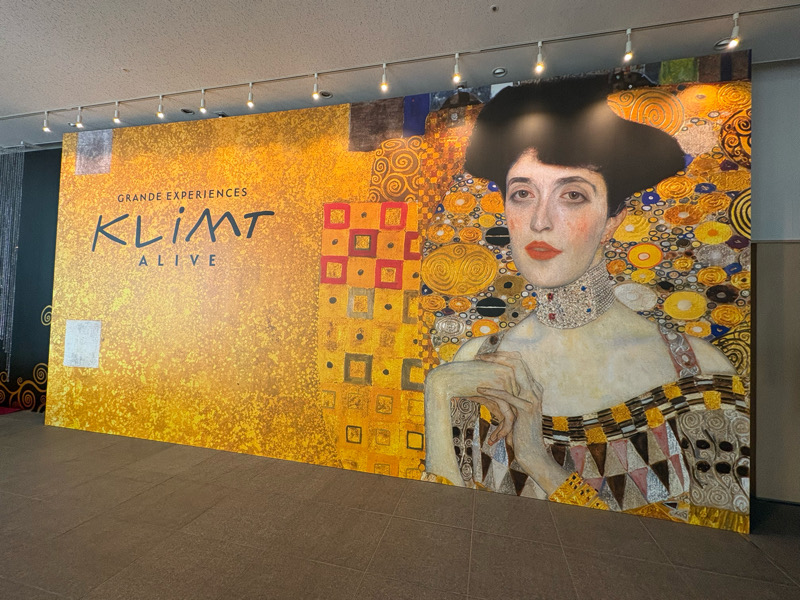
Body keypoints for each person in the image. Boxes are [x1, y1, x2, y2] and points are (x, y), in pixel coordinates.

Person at [423, 76, 750, 531]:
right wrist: (438, 394)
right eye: (523, 194)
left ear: (613, 219)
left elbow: (715, 543)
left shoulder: (695, 373)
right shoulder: (474, 362)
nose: (540, 221)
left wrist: (536, 458)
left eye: (572, 195)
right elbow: (445, 523)